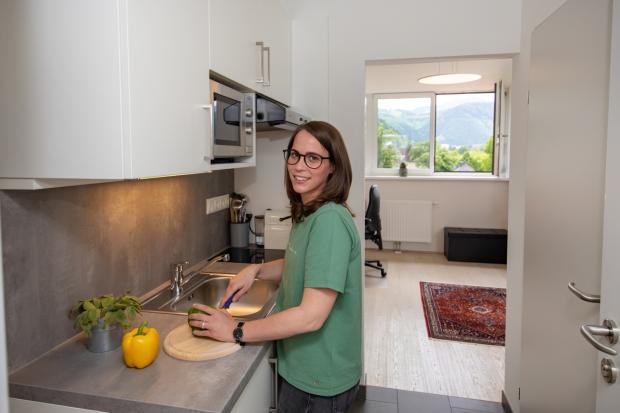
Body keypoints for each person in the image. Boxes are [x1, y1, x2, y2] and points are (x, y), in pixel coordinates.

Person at [189, 121, 362, 412]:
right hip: (303, 367)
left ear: (333, 167)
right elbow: (300, 262)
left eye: (313, 158)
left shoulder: (330, 222)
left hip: (318, 378)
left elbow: (310, 317)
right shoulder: (310, 210)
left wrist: (237, 330)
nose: (298, 166)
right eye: (294, 155)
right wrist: (255, 271)